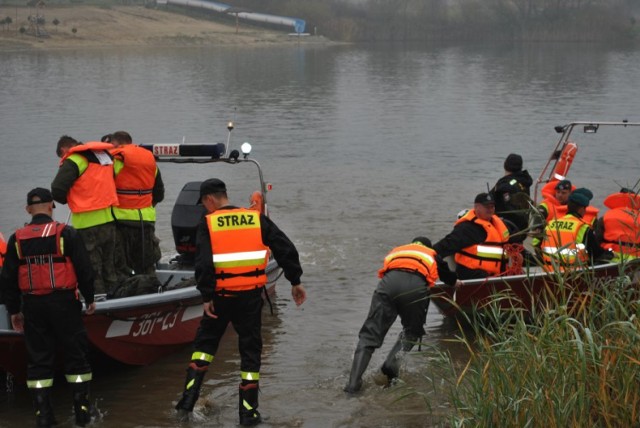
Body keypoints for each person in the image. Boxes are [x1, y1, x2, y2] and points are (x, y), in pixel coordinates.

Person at [175, 178, 306, 426]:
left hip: (221, 298)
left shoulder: (208, 223)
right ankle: (248, 413)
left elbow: (202, 262)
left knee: (204, 347)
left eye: (204, 203)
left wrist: (206, 296)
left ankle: (186, 404)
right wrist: (295, 280)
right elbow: (284, 247)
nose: (204, 208)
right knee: (250, 353)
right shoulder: (255, 218)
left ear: (209, 199)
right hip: (249, 298)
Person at [0, 188, 96, 427]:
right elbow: (85, 269)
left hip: (33, 306)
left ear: (27, 209)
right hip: (64, 303)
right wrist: (90, 297)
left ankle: (44, 417)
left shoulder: (16, 239)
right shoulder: (67, 234)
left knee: (38, 361)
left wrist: (14, 311)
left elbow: (8, 280)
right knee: (77, 358)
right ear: (52, 206)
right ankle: (83, 415)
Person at [344, 237, 460, 394]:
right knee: (412, 332)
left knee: (368, 337)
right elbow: (447, 276)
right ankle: (391, 363)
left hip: (388, 285)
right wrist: (455, 282)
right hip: (415, 287)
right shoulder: (431, 253)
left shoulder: (398, 251)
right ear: (428, 246)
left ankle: (353, 385)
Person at [51, 135, 119, 296]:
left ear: (63, 150)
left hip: (87, 224)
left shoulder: (74, 160)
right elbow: (112, 180)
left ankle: (99, 304)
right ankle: (117, 297)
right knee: (110, 266)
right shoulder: (104, 156)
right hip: (109, 220)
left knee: (92, 268)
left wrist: (72, 199)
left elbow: (57, 189)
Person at [110, 131, 165, 277]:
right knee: (147, 265)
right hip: (146, 222)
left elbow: (102, 190)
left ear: (117, 144)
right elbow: (159, 193)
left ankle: (127, 296)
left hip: (120, 222)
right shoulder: (150, 160)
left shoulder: (114, 161)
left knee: (122, 267)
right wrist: (145, 204)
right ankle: (153, 293)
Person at [433, 192, 510, 280]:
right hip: (472, 275)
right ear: (476, 207)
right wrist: (427, 254)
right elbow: (446, 245)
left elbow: (514, 241)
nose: (490, 209)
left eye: (492, 206)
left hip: (497, 274)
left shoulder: (499, 224)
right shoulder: (466, 228)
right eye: (486, 206)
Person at [536, 188, 607, 271]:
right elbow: (595, 253)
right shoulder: (582, 228)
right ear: (581, 209)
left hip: (549, 271)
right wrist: (608, 254)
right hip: (573, 273)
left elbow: (538, 245)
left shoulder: (551, 224)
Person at [492, 153, 533, 242]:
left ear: (505, 165)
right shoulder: (524, 181)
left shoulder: (504, 184)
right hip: (523, 229)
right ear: (520, 167)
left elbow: (488, 200)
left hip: (506, 230)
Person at [596, 188, 640, 263]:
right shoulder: (638, 217)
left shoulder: (606, 216)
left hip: (610, 257)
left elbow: (597, 239)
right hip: (635, 260)